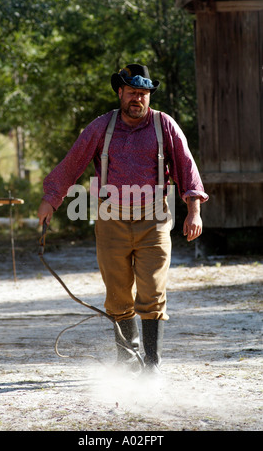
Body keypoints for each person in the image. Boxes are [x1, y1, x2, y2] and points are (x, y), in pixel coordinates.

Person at [37, 64, 208, 375]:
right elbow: (72, 163)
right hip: (110, 219)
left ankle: (152, 364)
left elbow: (186, 167)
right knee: (117, 293)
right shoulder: (101, 127)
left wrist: (194, 210)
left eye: (143, 94)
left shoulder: (164, 125)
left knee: (152, 291)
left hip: (154, 218)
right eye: (132, 93)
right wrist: (51, 200)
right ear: (120, 92)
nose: (137, 99)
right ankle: (128, 360)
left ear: (148, 97)